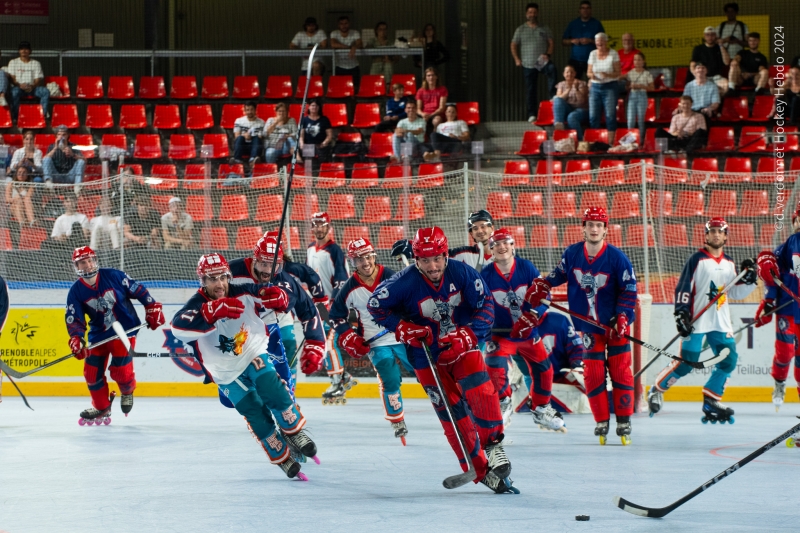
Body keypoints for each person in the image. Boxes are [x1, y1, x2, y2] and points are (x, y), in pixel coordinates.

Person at [368, 227, 516, 493]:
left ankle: (494, 446)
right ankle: (480, 472)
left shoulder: (462, 273)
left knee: (481, 390)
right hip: (426, 357)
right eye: (425, 260)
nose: (432, 266)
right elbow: (375, 306)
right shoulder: (403, 282)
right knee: (452, 418)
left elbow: (486, 306)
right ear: (416, 259)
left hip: (460, 347)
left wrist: (469, 333)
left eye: (437, 258)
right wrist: (402, 327)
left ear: (445, 254)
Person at [171, 253, 320, 479]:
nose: (219, 284)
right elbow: (178, 327)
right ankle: (279, 453)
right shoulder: (196, 304)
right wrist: (209, 312)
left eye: (223, 277)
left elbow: (271, 295)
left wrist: (280, 297)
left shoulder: (242, 291)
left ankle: (294, 431)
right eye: (212, 279)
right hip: (224, 373)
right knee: (253, 412)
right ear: (202, 281)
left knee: (271, 386)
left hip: (251, 353)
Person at [523, 207, 636, 445]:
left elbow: (629, 290)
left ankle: (623, 420)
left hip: (615, 327)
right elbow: (558, 274)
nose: (594, 229)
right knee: (594, 375)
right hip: (589, 327)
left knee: (620, 370)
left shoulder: (617, 258)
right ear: (583, 227)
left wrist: (623, 316)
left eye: (599, 225)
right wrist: (543, 284)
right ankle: (601, 421)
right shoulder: (572, 253)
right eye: (590, 224)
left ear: (606, 229)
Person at [649, 219, 756, 422]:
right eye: (712, 231)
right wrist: (681, 314)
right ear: (706, 236)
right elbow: (683, 287)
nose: (716, 235)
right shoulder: (696, 259)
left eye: (720, 232)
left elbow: (737, 292)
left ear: (726, 236)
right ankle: (657, 388)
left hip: (720, 322)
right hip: (697, 322)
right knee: (687, 363)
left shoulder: (730, 263)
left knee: (728, 360)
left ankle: (711, 398)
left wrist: (751, 280)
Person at [66, 246, 165, 423]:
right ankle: (101, 406)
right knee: (91, 373)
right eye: (82, 262)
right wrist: (77, 338)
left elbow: (139, 290)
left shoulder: (114, 275)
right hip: (99, 335)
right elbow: (75, 319)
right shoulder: (75, 291)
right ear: (76, 266)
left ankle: (127, 391)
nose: (87, 265)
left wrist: (152, 307)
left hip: (125, 331)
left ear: (95, 261)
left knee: (120, 372)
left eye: (90, 261)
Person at [329, 237, 413, 442]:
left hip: (402, 334)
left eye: (367, 257)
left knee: (424, 370)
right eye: (359, 259)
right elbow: (335, 316)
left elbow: (411, 298)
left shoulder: (391, 276)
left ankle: (449, 405)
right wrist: (348, 335)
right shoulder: (349, 288)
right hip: (375, 341)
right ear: (352, 262)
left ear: (374, 255)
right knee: (390, 377)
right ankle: (397, 419)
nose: (365, 262)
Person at [481, 228, 563, 431]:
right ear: (491, 250)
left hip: (527, 333)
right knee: (493, 363)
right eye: (496, 244)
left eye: (505, 242)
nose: (501, 247)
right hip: (501, 335)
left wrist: (534, 315)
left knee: (545, 369)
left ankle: (541, 409)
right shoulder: (486, 274)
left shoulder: (527, 267)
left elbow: (544, 296)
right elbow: (479, 304)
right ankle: (503, 402)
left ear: (513, 246)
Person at [228, 232, 326, 398]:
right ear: (255, 259)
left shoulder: (287, 274)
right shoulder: (231, 271)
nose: (268, 270)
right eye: (263, 263)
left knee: (285, 353)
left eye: (272, 264)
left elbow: (309, 307)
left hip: (278, 319)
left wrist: (315, 344)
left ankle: (288, 399)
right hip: (243, 328)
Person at [756, 205, 800, 413]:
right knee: (785, 353)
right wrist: (769, 301)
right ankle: (780, 383)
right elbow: (771, 275)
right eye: (798, 219)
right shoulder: (786, 247)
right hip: (787, 310)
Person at [305, 212, 352, 401]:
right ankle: (343, 377)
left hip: (334, 306)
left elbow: (341, 279)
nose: (317, 228)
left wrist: (333, 305)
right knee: (321, 342)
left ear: (328, 226)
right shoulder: (310, 249)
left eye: (321, 224)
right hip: (317, 306)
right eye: (314, 224)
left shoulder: (335, 250)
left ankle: (338, 383)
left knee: (328, 343)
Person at [511, 308, 586, 415]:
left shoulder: (559, 321)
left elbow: (576, 349)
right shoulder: (514, 324)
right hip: (529, 387)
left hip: (563, 385)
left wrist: (577, 366)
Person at [510, 2, 556, 123]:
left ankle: (552, 97)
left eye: (534, 12)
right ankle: (532, 114)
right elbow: (513, 44)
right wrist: (516, 58)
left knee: (552, 69)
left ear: (538, 13)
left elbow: (551, 43)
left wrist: (548, 54)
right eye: (530, 12)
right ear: (526, 14)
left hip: (541, 62)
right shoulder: (520, 29)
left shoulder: (544, 28)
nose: (532, 14)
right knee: (531, 89)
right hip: (528, 63)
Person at [6, 41, 49, 122]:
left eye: (26, 49)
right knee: (14, 92)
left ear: (30, 51)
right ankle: (16, 118)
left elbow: (38, 80)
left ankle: (41, 117)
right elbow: (12, 78)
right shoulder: (13, 62)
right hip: (18, 88)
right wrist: (19, 85)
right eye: (21, 49)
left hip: (33, 88)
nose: (24, 51)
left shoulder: (36, 63)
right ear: (19, 51)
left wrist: (32, 86)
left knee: (45, 91)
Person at [587, 33, 621, 136]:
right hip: (595, 87)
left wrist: (607, 74)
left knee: (610, 115)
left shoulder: (613, 53)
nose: (599, 44)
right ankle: (596, 139)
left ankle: (611, 141)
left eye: (601, 41)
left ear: (606, 42)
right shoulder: (592, 54)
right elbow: (588, 72)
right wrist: (592, 76)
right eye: (597, 42)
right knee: (593, 116)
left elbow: (618, 72)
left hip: (610, 86)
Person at [561, 1, 604, 80]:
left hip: (592, 60)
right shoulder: (573, 24)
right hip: (575, 60)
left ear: (591, 10)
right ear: (579, 10)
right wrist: (572, 41)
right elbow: (563, 41)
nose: (585, 10)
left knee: (594, 82)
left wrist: (590, 41)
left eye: (587, 8)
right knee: (573, 84)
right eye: (583, 8)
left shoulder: (596, 24)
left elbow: (603, 42)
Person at [689, 27, 730, 97]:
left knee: (725, 85)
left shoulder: (720, 48)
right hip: (703, 76)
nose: (710, 37)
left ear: (716, 36)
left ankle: (716, 106)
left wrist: (721, 45)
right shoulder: (698, 49)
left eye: (712, 35)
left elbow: (727, 62)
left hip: (717, 77)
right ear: (704, 36)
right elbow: (692, 65)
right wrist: (697, 76)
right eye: (708, 35)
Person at [42, 125, 85, 191]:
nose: (61, 137)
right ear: (56, 136)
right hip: (56, 175)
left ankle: (78, 186)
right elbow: (44, 161)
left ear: (68, 135)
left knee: (81, 161)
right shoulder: (52, 146)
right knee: (47, 159)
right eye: (59, 134)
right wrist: (55, 148)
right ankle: (48, 183)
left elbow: (84, 160)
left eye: (64, 134)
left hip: (70, 175)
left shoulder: (73, 146)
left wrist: (72, 154)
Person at [553, 65, 589, 139]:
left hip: (581, 110)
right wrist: (568, 89)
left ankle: (579, 140)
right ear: (563, 74)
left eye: (571, 72)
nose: (569, 74)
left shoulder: (582, 83)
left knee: (572, 117)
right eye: (567, 72)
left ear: (575, 74)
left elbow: (581, 101)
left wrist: (575, 89)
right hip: (568, 109)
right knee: (557, 99)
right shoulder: (561, 84)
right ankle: (559, 123)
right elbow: (560, 98)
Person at [625, 52, 654, 142]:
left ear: (643, 61)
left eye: (639, 59)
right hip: (632, 96)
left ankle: (641, 141)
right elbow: (626, 86)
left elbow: (652, 88)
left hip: (642, 96)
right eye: (635, 60)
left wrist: (640, 86)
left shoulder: (647, 74)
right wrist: (630, 86)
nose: (636, 62)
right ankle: (630, 141)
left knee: (641, 120)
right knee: (630, 120)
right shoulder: (630, 73)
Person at [330, 15, 363, 90]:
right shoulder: (334, 33)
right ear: (338, 25)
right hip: (340, 66)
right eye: (341, 24)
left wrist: (355, 47)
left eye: (346, 23)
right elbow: (333, 44)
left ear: (349, 24)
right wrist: (349, 47)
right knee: (340, 88)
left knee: (355, 88)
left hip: (353, 66)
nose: (344, 26)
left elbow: (360, 43)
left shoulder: (355, 33)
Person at [232, 101, 265, 170]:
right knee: (240, 138)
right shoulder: (239, 121)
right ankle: (237, 160)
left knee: (256, 139)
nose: (249, 112)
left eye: (251, 109)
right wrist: (245, 135)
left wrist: (251, 136)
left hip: (254, 146)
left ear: (255, 110)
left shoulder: (261, 122)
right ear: (245, 111)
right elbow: (236, 135)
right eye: (247, 110)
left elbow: (260, 137)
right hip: (242, 146)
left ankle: (253, 160)